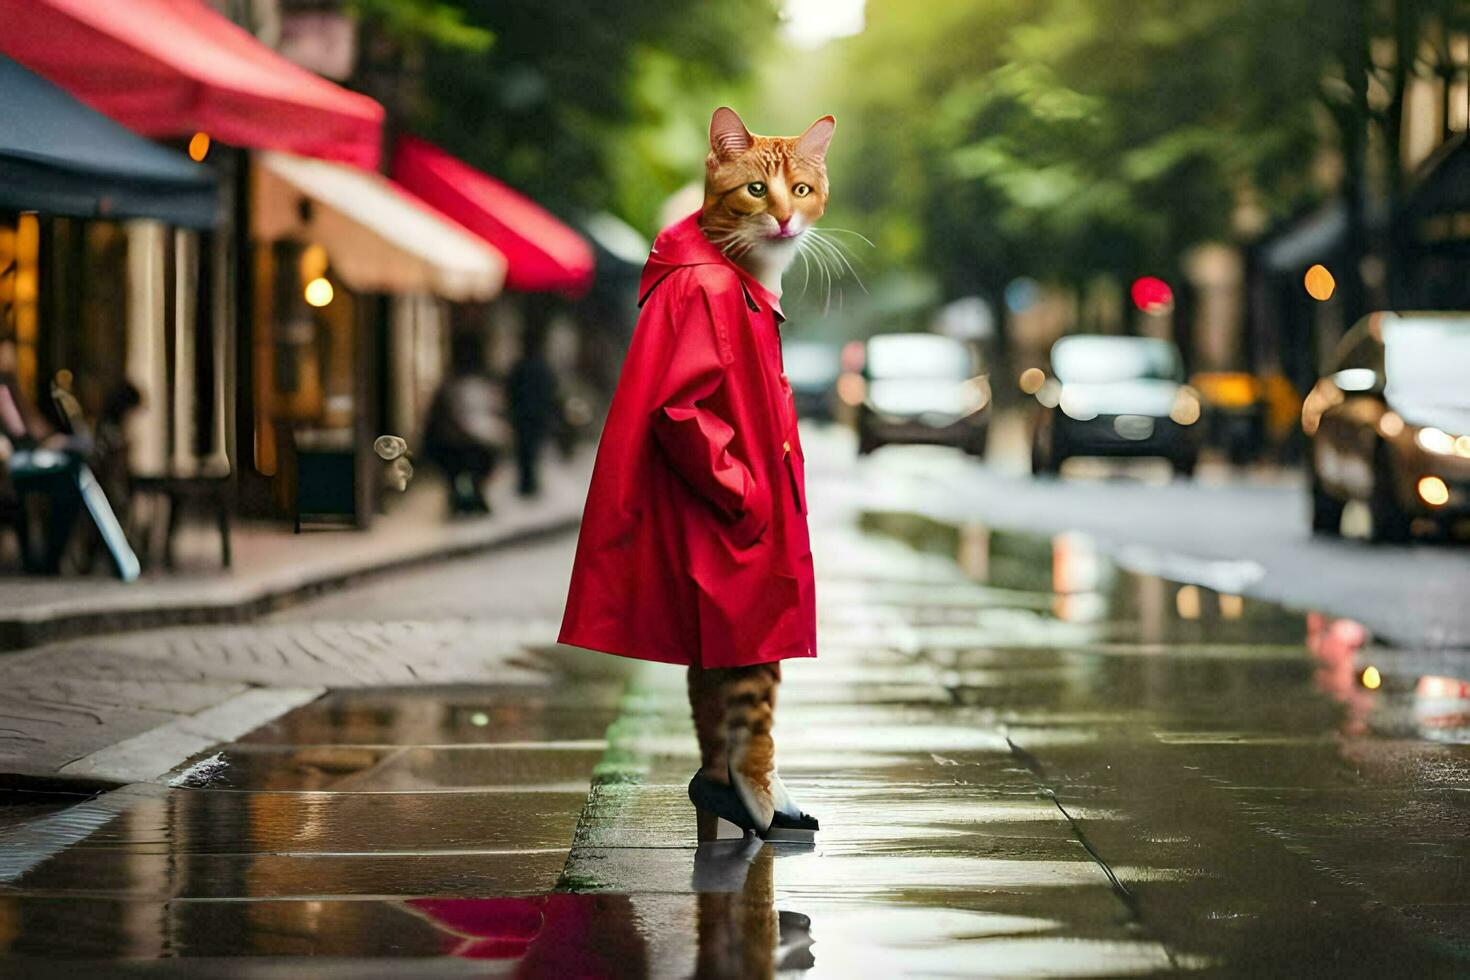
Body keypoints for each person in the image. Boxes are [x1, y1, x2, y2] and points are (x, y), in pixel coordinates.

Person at [560, 107, 836, 842]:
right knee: (749, 637)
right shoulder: (712, 283)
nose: (783, 216)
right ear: (718, 176)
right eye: (759, 195)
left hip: (728, 492)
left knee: (723, 636)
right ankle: (748, 776)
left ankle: (727, 774)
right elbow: (681, 410)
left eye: (801, 194)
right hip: (730, 497)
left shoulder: (722, 275)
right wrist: (741, 488)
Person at [423, 332, 509, 515]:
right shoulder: (473, 384)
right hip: (459, 444)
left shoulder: (453, 385)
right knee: (472, 469)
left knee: (465, 471)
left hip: (456, 444)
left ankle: (464, 499)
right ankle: (468, 498)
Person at [507, 320, 559, 498]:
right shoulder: (541, 368)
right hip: (535, 415)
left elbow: (511, 390)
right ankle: (529, 483)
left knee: (525, 451)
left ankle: (527, 484)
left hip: (523, 415)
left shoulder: (520, 367)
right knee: (531, 450)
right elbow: (551, 392)